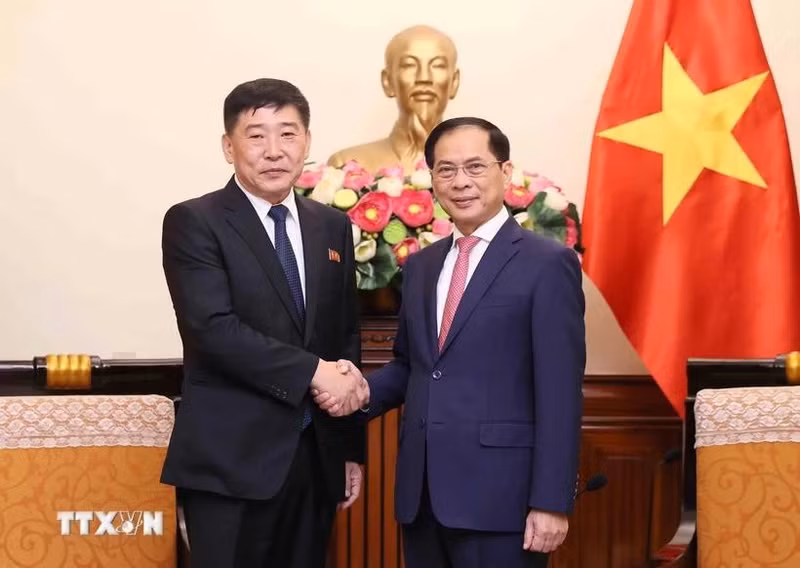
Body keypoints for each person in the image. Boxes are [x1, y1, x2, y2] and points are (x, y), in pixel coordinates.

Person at [317, 117, 585, 567]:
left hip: (505, 501)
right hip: (422, 498)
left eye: (475, 167)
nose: (460, 182)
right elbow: (411, 366)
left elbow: (560, 391)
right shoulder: (422, 266)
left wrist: (551, 500)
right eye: (446, 170)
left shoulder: (547, 263)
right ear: (432, 181)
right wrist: (355, 391)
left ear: (505, 171)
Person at [160, 78, 369, 568]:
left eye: (288, 134)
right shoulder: (195, 221)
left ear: (308, 142)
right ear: (229, 147)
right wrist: (313, 372)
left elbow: (344, 337)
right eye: (256, 135)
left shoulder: (330, 225)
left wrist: (349, 447)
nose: (274, 150)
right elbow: (213, 331)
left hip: (314, 459)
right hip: (232, 462)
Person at [327, 25, 461, 174]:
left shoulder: (483, 167)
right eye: (409, 65)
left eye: (438, 65)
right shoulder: (348, 165)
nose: (424, 78)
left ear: (454, 82)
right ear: (388, 81)